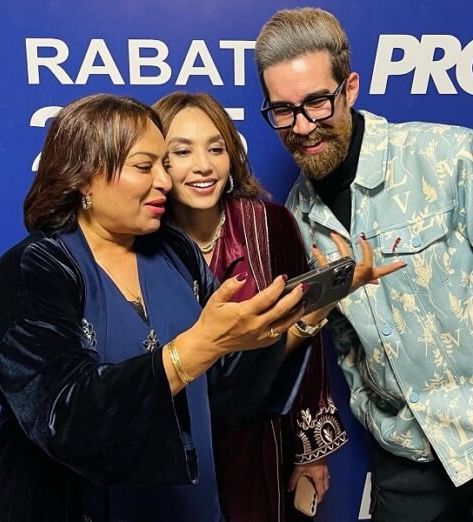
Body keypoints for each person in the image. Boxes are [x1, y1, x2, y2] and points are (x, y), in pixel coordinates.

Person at [254, 8, 473, 522]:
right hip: (404, 463)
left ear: (350, 88)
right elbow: (342, 339)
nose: (302, 126)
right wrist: (372, 411)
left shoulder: (448, 155)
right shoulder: (297, 215)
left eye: (317, 102)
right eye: (283, 110)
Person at [0, 93, 316, 522]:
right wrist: (192, 350)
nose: (165, 180)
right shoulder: (35, 268)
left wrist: (303, 319)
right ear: (84, 177)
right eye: (145, 166)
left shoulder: (175, 250)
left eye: (164, 163)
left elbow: (223, 391)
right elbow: (64, 416)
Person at [153, 92, 400, 521]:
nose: (203, 166)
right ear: (159, 162)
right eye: (182, 152)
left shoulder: (269, 224)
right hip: (172, 446)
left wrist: (311, 449)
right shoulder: (143, 238)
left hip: (257, 439)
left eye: (216, 149)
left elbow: (305, 334)